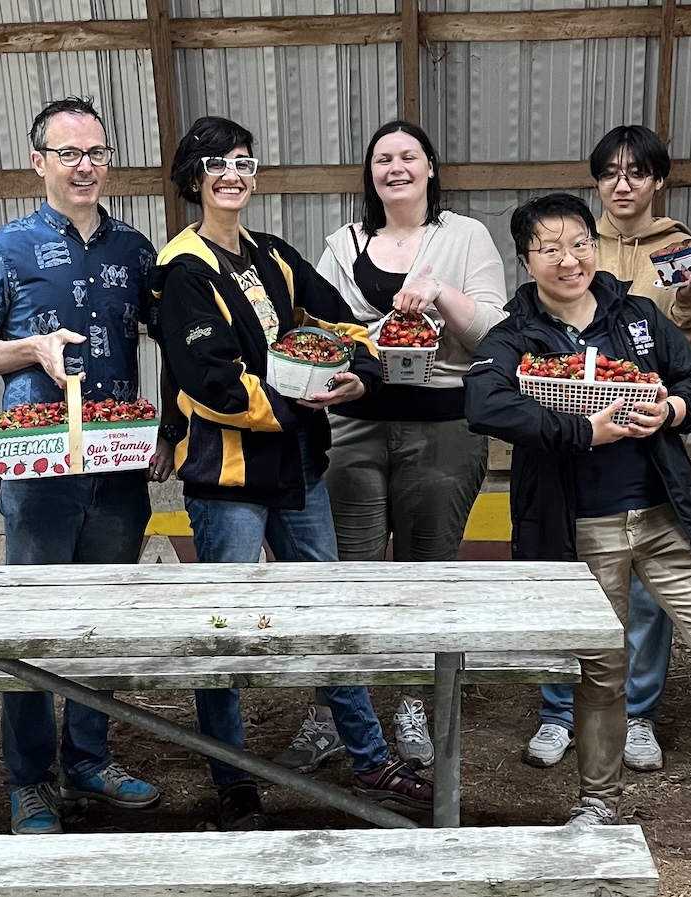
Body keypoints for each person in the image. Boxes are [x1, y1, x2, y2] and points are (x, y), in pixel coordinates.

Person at [465, 193, 691, 884]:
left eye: (580, 242)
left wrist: (670, 407)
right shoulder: (515, 334)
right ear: (526, 259)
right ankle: (599, 803)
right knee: (600, 674)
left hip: (668, 516)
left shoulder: (636, 316)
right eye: (550, 248)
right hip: (581, 528)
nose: (569, 258)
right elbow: (486, 404)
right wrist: (583, 430)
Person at [149, 115, 434, 830]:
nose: (233, 174)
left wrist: (360, 375)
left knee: (330, 616)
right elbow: (211, 382)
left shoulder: (271, 255)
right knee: (226, 634)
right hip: (228, 482)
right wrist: (303, 400)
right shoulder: (180, 268)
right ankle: (234, 780)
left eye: (245, 162)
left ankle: (368, 757)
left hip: (301, 469)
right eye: (217, 163)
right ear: (193, 177)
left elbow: (342, 323)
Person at [0, 96, 166, 835]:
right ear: (38, 161)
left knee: (101, 619)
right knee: (34, 619)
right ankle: (29, 778)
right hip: (39, 467)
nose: (85, 165)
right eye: (69, 152)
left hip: (117, 463)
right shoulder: (2, 250)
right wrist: (30, 350)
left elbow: (175, 336)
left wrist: (177, 423)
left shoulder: (135, 250)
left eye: (97, 152)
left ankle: (89, 757)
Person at [263, 120, 507, 773]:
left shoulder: (465, 238)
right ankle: (333, 712)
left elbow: (492, 335)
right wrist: (331, 371)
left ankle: (410, 701)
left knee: (426, 574)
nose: (395, 167)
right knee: (349, 575)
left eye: (408, 156)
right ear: (370, 173)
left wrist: (439, 294)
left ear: (430, 166)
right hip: (352, 427)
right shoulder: (342, 245)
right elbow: (313, 328)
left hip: (443, 428)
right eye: (383, 158)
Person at [530, 125, 691, 773]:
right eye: (610, 172)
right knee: (570, 578)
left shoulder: (686, 254)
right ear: (596, 181)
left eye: (636, 172)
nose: (622, 184)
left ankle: (637, 713)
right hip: (575, 439)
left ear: (657, 181)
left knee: (645, 592)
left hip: (650, 440)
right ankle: (559, 708)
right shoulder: (569, 243)